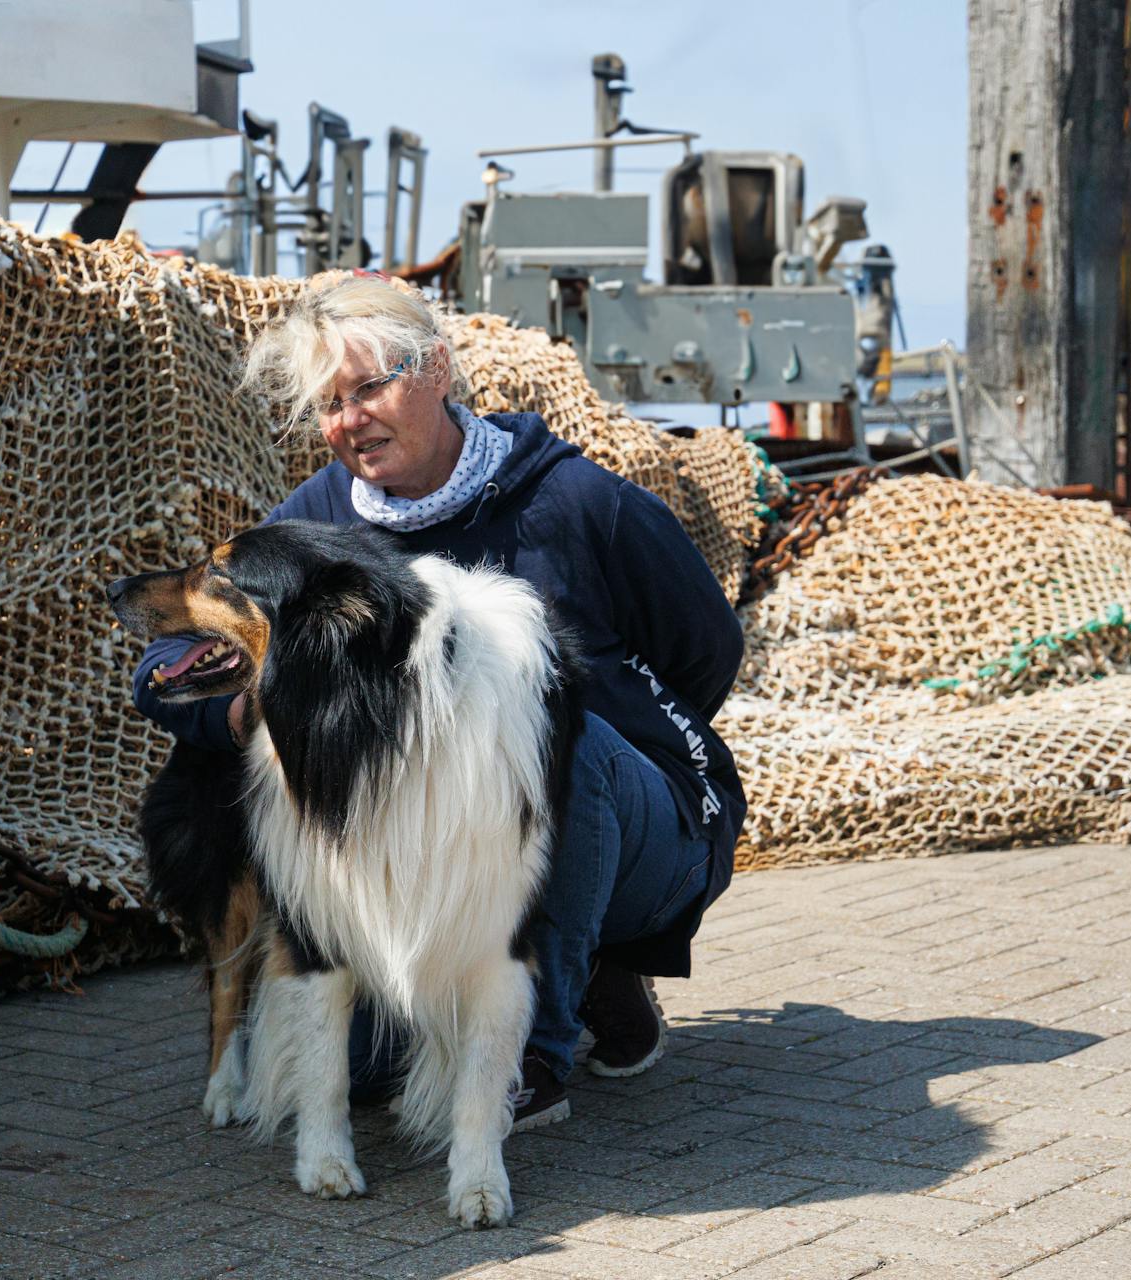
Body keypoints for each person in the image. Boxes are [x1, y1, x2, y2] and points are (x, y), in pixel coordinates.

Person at [130, 273, 745, 1130]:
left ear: (439, 371)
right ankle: (557, 958)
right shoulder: (323, 523)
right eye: (330, 403)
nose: (350, 422)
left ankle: (544, 1044)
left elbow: (706, 646)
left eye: (370, 387)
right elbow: (171, 661)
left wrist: (636, 731)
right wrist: (245, 713)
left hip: (643, 818)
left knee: (559, 737)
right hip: (448, 856)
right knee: (364, 1071)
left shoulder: (577, 502)